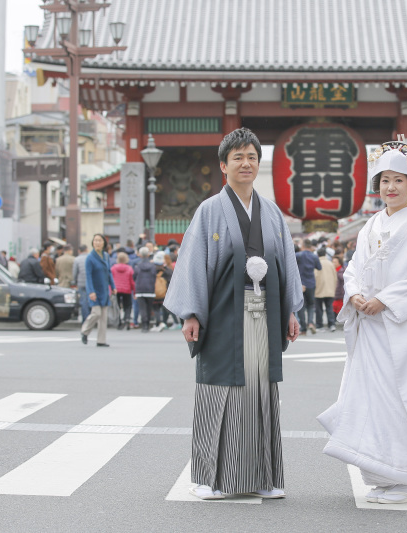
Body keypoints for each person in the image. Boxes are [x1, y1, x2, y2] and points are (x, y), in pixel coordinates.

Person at [318, 139, 407, 505]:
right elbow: (353, 268)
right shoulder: (370, 226)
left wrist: (387, 299)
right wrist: (354, 295)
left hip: (403, 327)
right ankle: (382, 473)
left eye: (399, 180)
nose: (391, 187)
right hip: (371, 326)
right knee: (372, 398)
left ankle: (406, 480)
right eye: (385, 180)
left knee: (402, 398)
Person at [163, 127, 302, 500]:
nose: (246, 163)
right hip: (225, 315)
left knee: (260, 392)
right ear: (223, 165)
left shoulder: (271, 213)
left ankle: (262, 478)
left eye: (252, 157)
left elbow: (285, 264)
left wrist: (290, 310)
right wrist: (191, 313)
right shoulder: (209, 210)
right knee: (220, 390)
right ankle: (210, 478)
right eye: (237, 157)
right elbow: (193, 264)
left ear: (259, 164)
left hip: (264, 314)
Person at [81, 234, 115, 347]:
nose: (97, 243)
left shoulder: (105, 256)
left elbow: (109, 272)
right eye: (95, 240)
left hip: (104, 289)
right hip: (94, 290)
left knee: (103, 317)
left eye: (99, 240)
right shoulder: (90, 258)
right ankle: (85, 331)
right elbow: (88, 276)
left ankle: (101, 340)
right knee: (96, 313)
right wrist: (91, 291)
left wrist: (113, 286)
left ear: (104, 243)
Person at [295, 239, 322, 334]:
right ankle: (310, 322)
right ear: (310, 246)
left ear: (303, 246)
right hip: (311, 283)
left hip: (300, 284)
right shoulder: (314, 256)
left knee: (301, 306)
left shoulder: (298, 255)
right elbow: (319, 267)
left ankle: (303, 328)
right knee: (311, 305)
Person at [133, 247, 157, 332]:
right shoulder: (152, 266)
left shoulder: (137, 266)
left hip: (140, 289)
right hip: (150, 289)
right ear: (148, 254)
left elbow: (134, 277)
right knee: (149, 308)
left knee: (142, 308)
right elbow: (154, 276)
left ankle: (144, 325)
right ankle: (148, 324)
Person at [314, 248, 337, 332]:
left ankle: (319, 325)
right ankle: (332, 324)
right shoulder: (330, 263)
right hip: (330, 289)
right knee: (329, 307)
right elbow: (335, 277)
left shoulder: (317, 263)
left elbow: (315, 276)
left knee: (319, 308)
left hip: (319, 289)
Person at [111, 251, 135, 330]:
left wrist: (111, 289)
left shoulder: (113, 268)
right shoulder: (129, 268)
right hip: (127, 289)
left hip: (116, 289)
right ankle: (127, 319)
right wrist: (134, 291)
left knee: (117, 306)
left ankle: (119, 322)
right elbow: (132, 281)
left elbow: (110, 279)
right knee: (128, 305)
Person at [72, 245, 90, 323]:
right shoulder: (90, 258)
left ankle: (85, 319)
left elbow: (74, 273)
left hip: (81, 283)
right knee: (91, 300)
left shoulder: (77, 259)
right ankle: (91, 319)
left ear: (79, 251)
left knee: (83, 301)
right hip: (90, 283)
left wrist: (75, 282)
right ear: (86, 250)